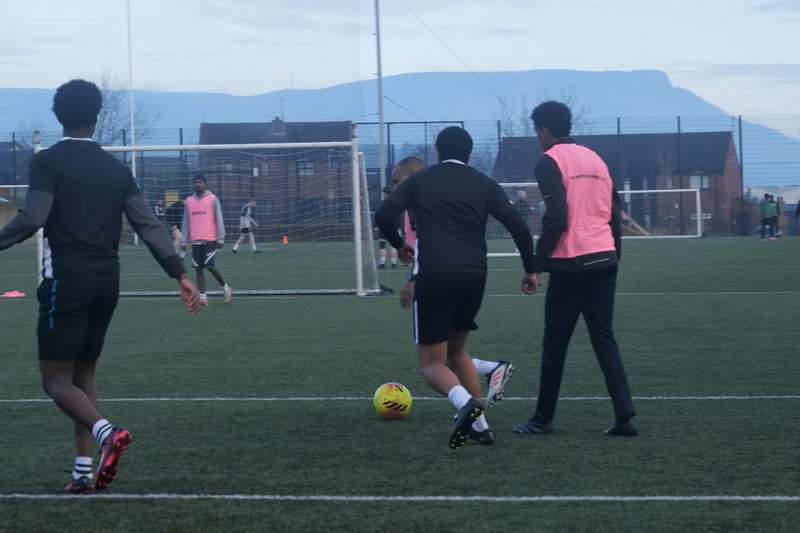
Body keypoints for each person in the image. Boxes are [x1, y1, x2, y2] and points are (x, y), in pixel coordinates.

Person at [0, 79, 201, 494]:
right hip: (108, 281)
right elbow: (148, 224)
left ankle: (108, 434)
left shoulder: (47, 162)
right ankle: (82, 473)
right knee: (83, 373)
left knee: (55, 380)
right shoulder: (116, 169)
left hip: (67, 280)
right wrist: (179, 272)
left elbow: (33, 217)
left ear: (58, 116)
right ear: (96, 117)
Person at [376, 127, 537, 449]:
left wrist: (398, 244)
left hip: (435, 273)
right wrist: (530, 269)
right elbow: (519, 226)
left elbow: (384, 215)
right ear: (469, 154)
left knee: (432, 363)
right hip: (475, 274)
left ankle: (466, 404)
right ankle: (481, 426)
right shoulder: (484, 183)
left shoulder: (421, 181)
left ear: (438, 153)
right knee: (457, 351)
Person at [513, 101, 637, 438]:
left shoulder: (549, 161)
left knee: (555, 341)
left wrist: (535, 266)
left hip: (572, 264)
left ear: (544, 130)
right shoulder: (596, 159)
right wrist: (614, 255)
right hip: (604, 258)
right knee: (603, 337)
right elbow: (614, 214)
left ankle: (542, 418)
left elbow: (557, 219)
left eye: (537, 131)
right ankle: (625, 416)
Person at [393, 156, 517, 410]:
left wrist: (413, 279)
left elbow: (424, 244)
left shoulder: (418, 200)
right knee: (452, 351)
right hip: (459, 273)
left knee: (435, 358)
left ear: (413, 175)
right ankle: (479, 415)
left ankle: (479, 391)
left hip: (433, 276)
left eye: (397, 180)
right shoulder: (421, 198)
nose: (394, 186)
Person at [181, 174, 233, 305]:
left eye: (200, 182)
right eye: (195, 182)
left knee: (209, 265)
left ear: (205, 184)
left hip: (210, 239)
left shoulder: (212, 199)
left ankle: (226, 288)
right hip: (195, 240)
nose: (197, 184)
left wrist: (221, 238)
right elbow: (186, 222)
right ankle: (203, 297)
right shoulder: (188, 201)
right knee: (198, 269)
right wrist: (184, 241)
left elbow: (219, 218)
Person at [377, 184, 400, 269]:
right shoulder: (397, 203)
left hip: (384, 226)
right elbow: (399, 216)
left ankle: (382, 264)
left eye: (383, 193)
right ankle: (393, 264)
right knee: (394, 245)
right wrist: (398, 226)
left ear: (385, 194)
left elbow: (379, 215)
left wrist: (376, 224)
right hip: (394, 227)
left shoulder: (383, 203)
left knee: (382, 245)